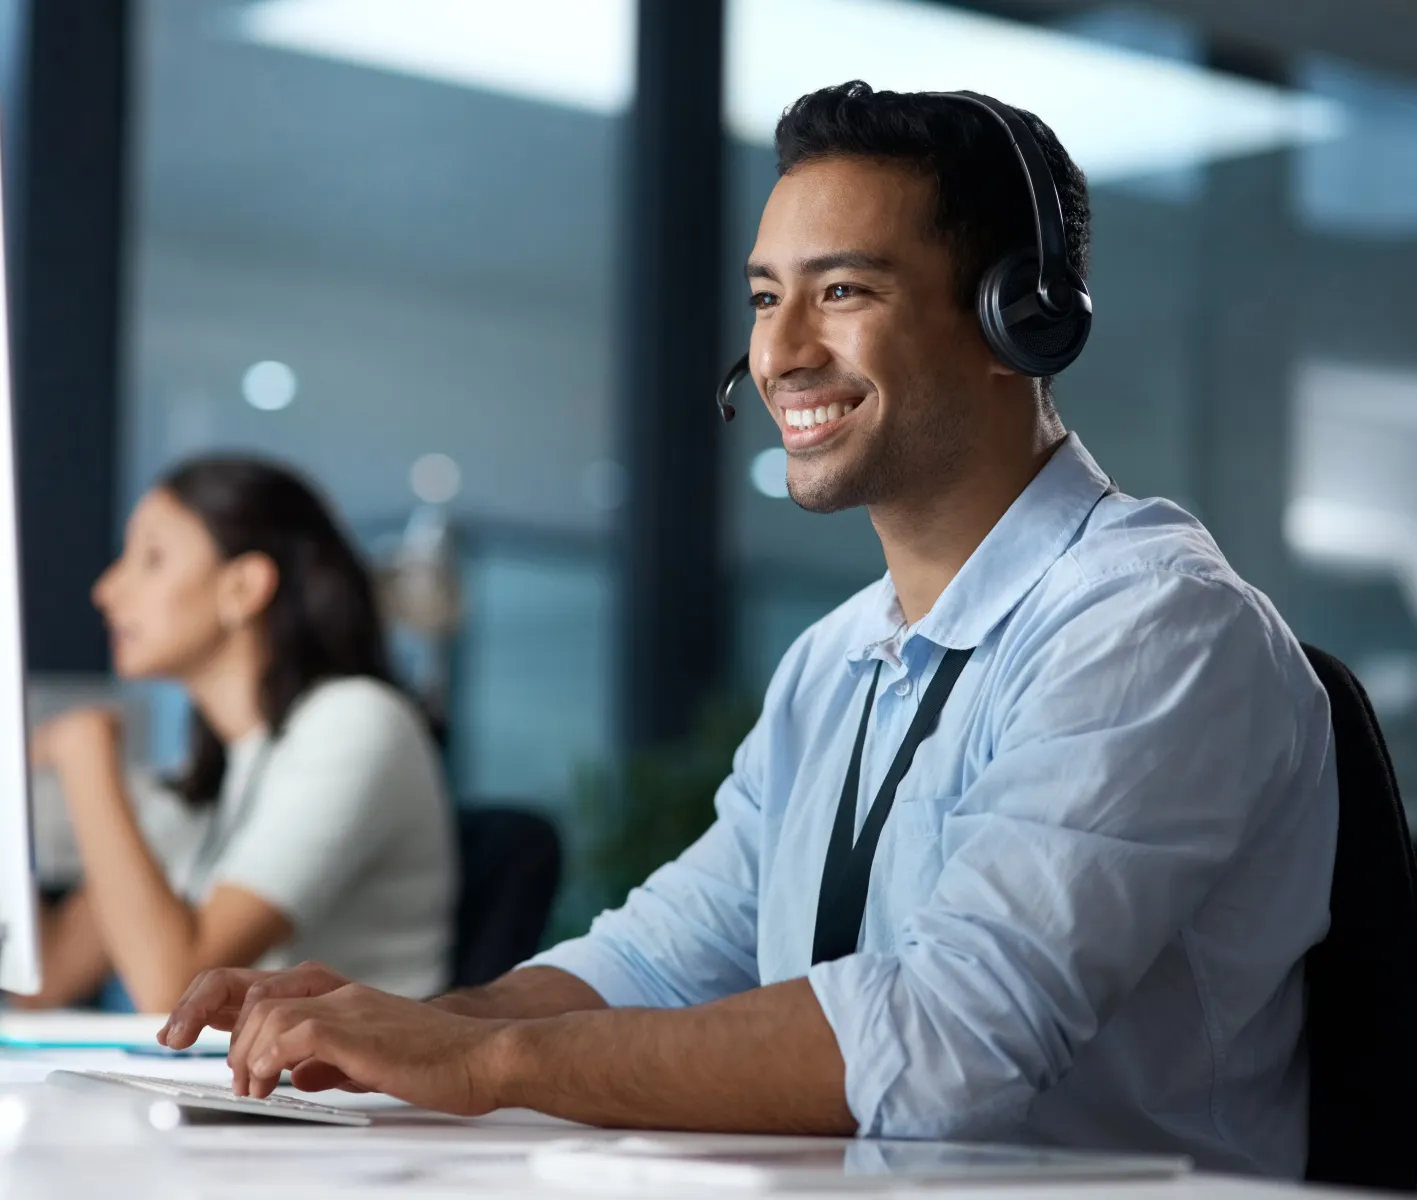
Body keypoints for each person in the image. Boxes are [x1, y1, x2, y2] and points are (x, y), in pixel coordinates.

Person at [161, 83, 1336, 1177]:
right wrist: (405, 1027)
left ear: (1012, 319)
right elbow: (657, 959)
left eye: (842, 291)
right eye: (767, 297)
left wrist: (482, 1066)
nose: (778, 354)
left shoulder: (1152, 626)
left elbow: (943, 1043)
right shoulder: (838, 662)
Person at [25, 457, 456, 1012]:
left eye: (151, 559)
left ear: (243, 586)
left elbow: (172, 987)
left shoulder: (357, 723)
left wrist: (85, 756)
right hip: (240, 1089)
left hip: (330, 1093)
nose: (107, 591)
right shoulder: (219, 770)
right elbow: (50, 977)